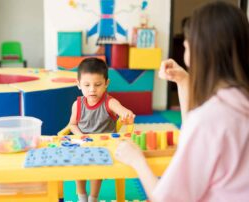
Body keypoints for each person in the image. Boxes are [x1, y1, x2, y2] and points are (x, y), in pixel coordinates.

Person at [115, 2, 249, 202]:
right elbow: (198, 137)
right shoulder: (239, 102)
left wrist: (137, 160)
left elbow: (167, 199)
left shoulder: (208, 119)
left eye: (186, 47)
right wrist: (184, 82)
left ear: (200, 52)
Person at [68, 57, 135, 202]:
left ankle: (93, 198)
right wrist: (81, 136)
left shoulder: (110, 102)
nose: (92, 89)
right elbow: (72, 125)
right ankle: (82, 197)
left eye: (97, 84)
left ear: (106, 84)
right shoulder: (77, 104)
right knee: (77, 168)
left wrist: (126, 114)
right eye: (87, 85)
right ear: (78, 84)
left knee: (95, 170)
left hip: (103, 147)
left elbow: (121, 109)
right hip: (83, 143)